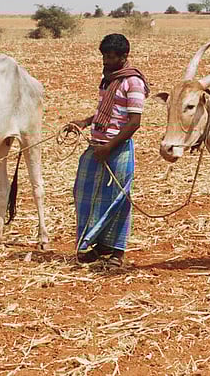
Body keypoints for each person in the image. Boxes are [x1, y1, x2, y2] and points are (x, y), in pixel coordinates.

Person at [68, 33, 149, 268]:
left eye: (111, 56)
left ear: (124, 57)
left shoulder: (132, 82)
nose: (106, 60)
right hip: (97, 145)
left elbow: (134, 122)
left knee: (117, 200)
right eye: (104, 55)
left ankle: (116, 253)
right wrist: (84, 122)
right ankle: (94, 245)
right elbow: (109, 112)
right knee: (83, 193)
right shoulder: (108, 79)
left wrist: (109, 147)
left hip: (117, 149)